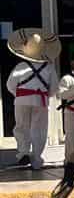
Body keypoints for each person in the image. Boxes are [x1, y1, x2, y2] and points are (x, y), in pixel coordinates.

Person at [6, 29, 60, 170]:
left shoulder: (21, 66)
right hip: (40, 100)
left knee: (21, 126)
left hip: (21, 100)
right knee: (39, 129)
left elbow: (10, 85)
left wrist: (19, 95)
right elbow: (54, 88)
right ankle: (36, 159)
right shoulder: (49, 67)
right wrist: (44, 95)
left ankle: (23, 152)